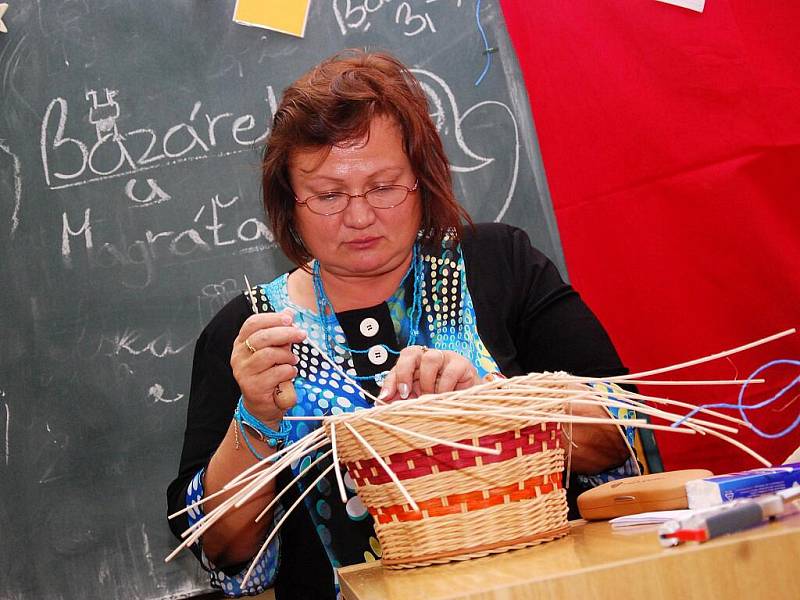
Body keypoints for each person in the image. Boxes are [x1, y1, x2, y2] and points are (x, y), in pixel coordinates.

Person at [167, 49, 636, 599]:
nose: (360, 216)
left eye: (384, 186)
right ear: (289, 203)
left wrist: (490, 401)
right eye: (328, 195)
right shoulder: (251, 332)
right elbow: (221, 549)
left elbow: (621, 432)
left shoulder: (498, 264)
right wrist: (257, 418)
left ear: (422, 178)